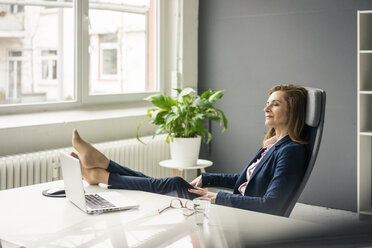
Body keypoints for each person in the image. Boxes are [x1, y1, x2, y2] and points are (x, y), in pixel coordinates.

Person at [70, 84, 308, 216]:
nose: (267, 108)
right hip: (237, 204)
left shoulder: (291, 151)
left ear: (293, 111)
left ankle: (102, 170)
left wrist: (216, 197)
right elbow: (247, 179)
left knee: (172, 185)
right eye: (267, 103)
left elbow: (272, 205)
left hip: (247, 215)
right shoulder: (273, 143)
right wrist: (208, 177)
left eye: (275, 104)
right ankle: (101, 170)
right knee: (166, 185)